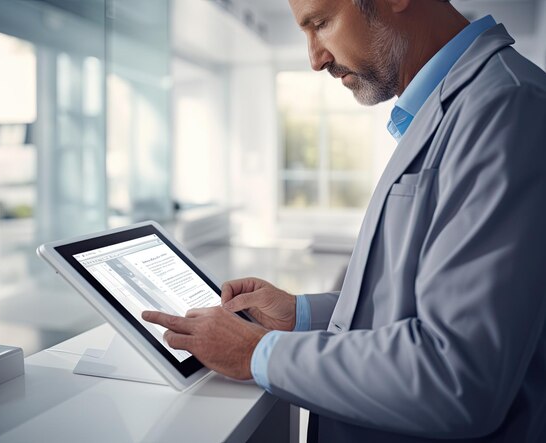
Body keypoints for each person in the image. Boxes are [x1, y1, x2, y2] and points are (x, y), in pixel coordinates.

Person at [143, 0, 546, 440]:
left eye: (321, 23)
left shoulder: (507, 108)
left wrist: (259, 352)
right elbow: (418, 307)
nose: (315, 59)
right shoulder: (451, 110)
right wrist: (300, 314)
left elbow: (459, 376)